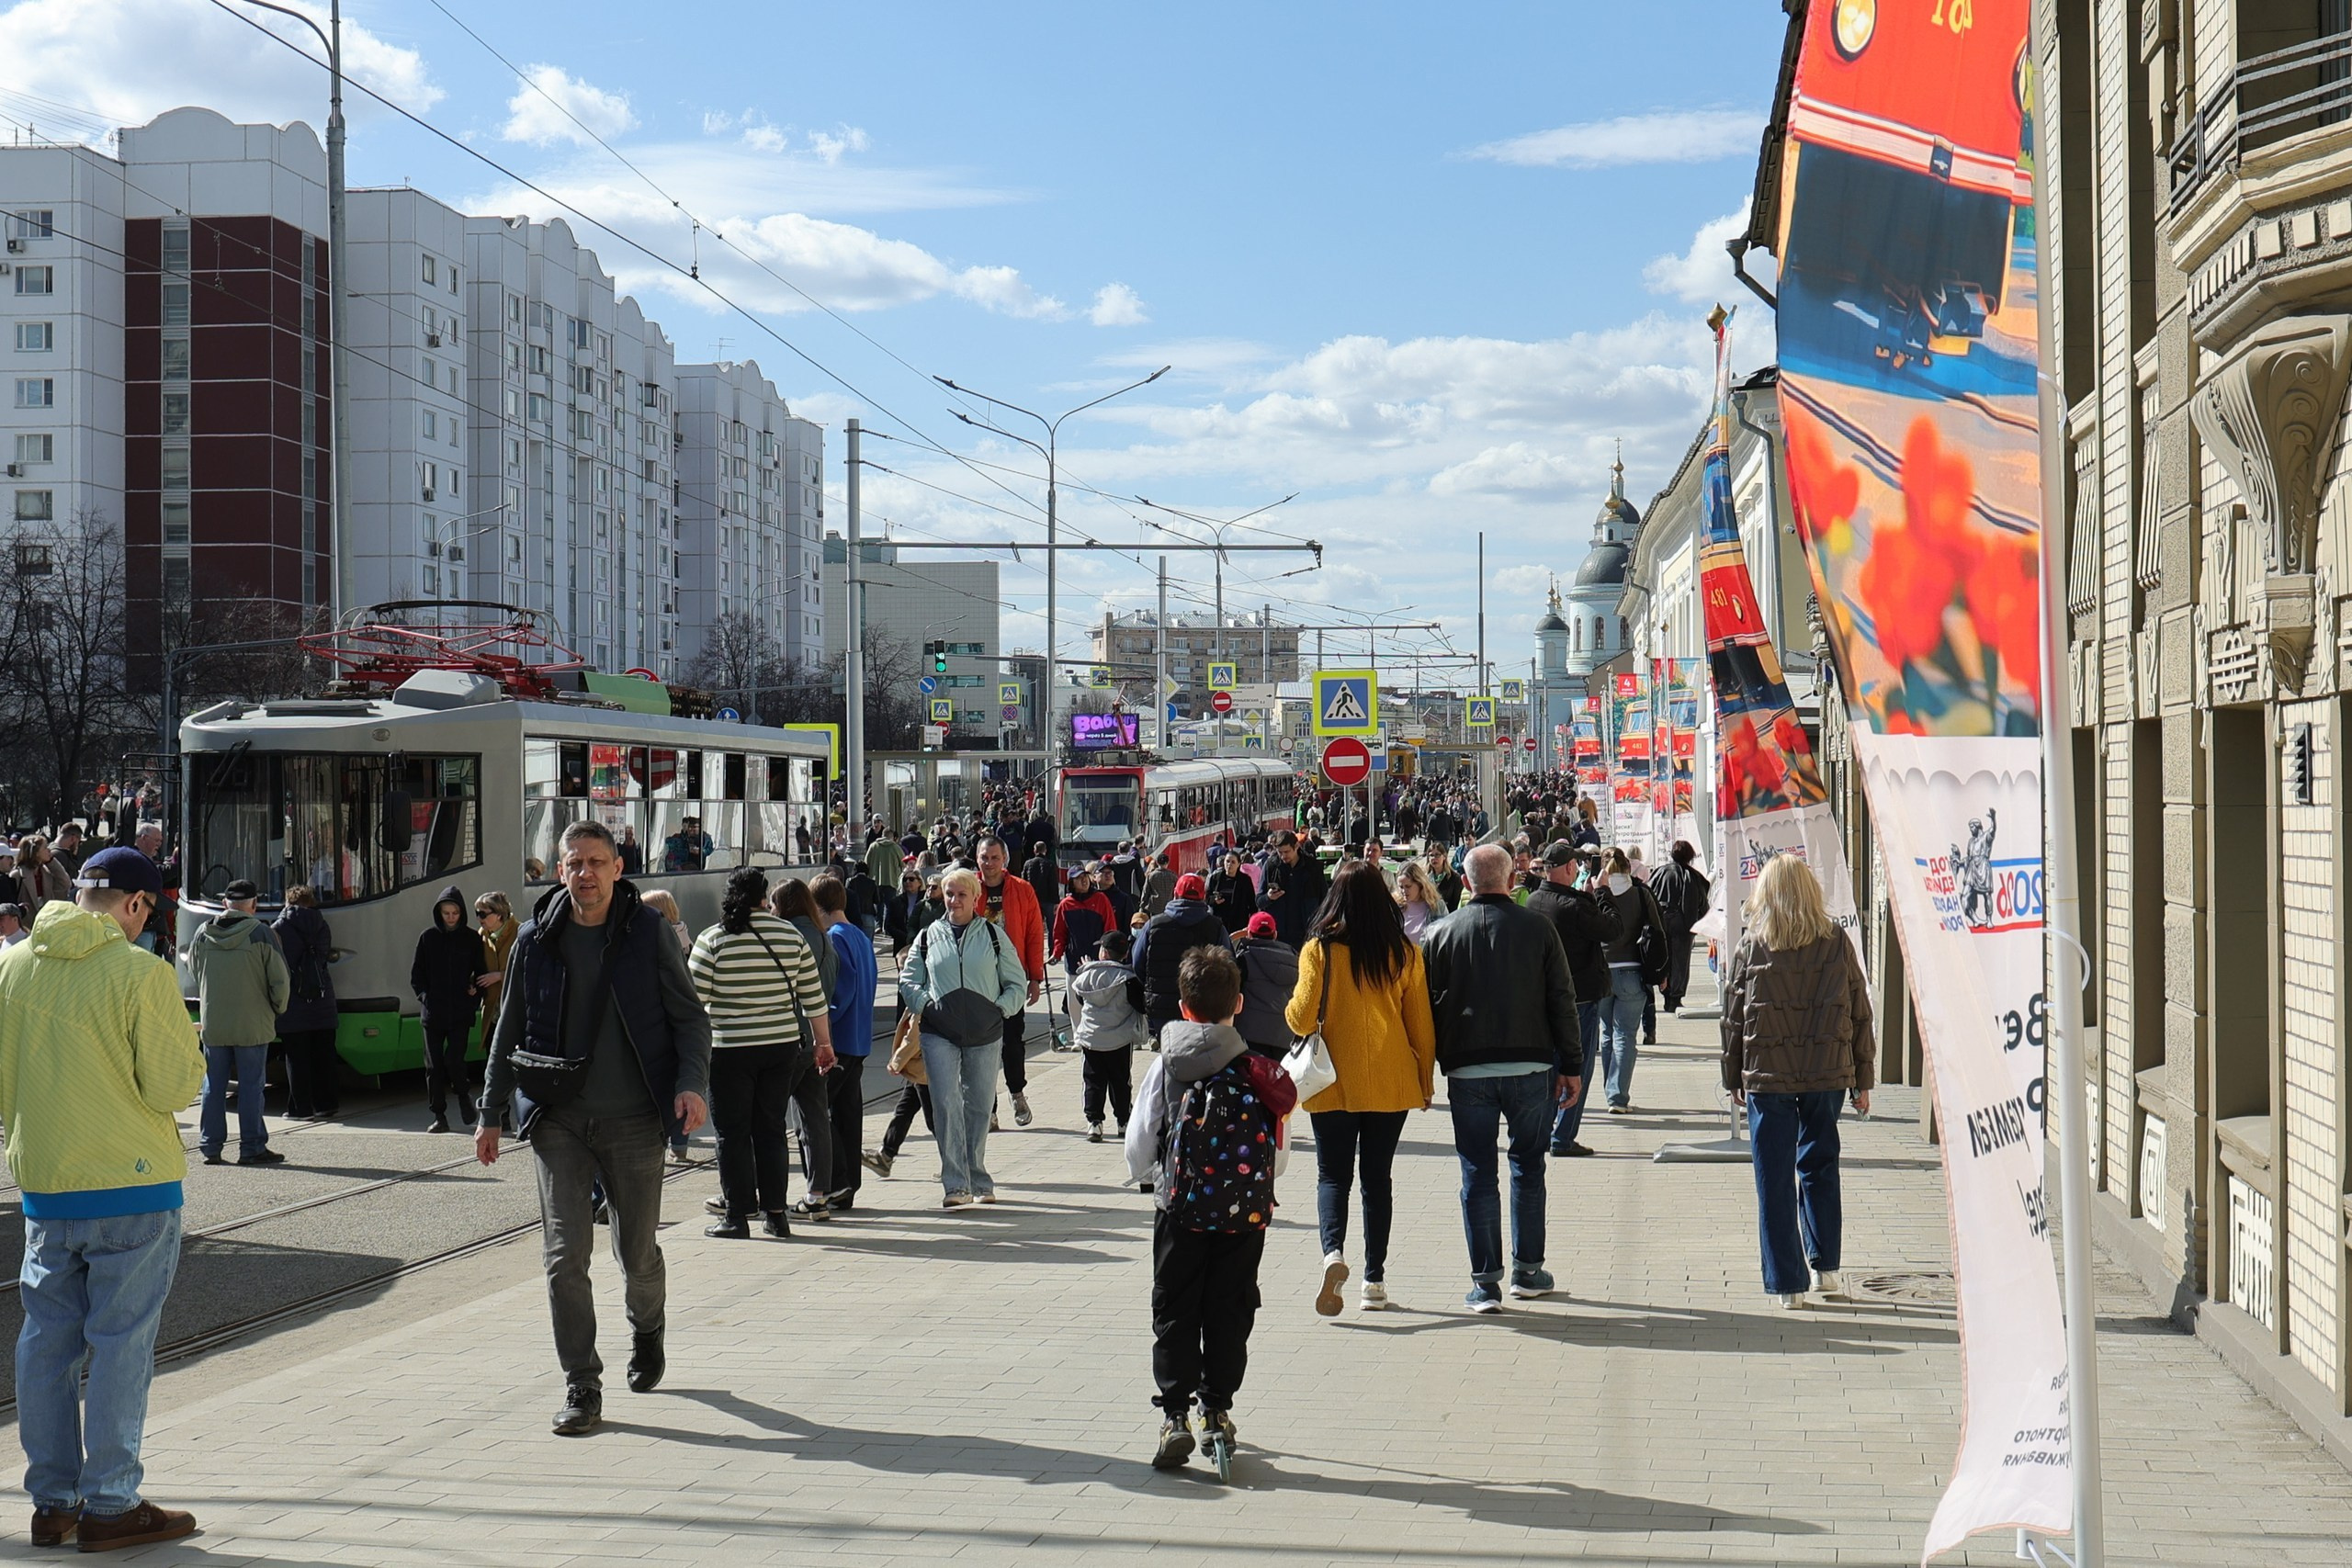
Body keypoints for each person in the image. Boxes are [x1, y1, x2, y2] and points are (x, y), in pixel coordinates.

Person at [475, 819, 713, 1437]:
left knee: (637, 1253)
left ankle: (647, 1327)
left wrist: (690, 1084)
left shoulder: (648, 933)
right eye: (574, 862)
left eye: (597, 862)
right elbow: (508, 1030)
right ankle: (582, 1382)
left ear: (617, 867)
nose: (585, 873)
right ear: (560, 871)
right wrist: (489, 1112)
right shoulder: (535, 939)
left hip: (634, 1119)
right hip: (558, 1118)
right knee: (563, 1257)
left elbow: (690, 1019)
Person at [0, 846, 205, 1552]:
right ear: (136, 904)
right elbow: (173, 1086)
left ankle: (52, 1502)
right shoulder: (140, 972)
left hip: (47, 1188)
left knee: (45, 1343)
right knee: (121, 1345)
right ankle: (112, 1502)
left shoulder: (13, 966)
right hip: (132, 1185)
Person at [1127, 945, 1295, 1471]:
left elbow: (1139, 1141)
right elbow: (1279, 1155)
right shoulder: (1257, 1070)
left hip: (1178, 1207)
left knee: (1175, 1307)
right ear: (1238, 1004)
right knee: (1230, 1307)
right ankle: (1217, 1409)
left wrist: (1153, 1177)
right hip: (1243, 1214)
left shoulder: (1165, 1065)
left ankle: (1174, 1414)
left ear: (1183, 1006)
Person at [1422, 845, 1582, 1313]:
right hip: (1531, 1066)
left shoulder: (1439, 934)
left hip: (1466, 1069)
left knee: (1477, 1172)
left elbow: (1423, 1008)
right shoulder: (1539, 928)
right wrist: (1571, 1065)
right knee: (1528, 1167)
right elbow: (1562, 999)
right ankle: (1528, 1272)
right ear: (1512, 880)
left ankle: (1485, 1283)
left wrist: (1425, 1070)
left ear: (1465, 882)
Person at [1720, 854, 1874, 1308]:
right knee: (1820, 1165)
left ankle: (1788, 1284)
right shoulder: (1836, 941)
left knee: (1773, 1176)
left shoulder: (1752, 945)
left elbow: (1733, 1018)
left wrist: (1732, 1075)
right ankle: (1826, 1268)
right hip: (1827, 1072)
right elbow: (1860, 1010)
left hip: (1768, 1075)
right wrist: (1863, 1078)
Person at [1285, 861, 1436, 1315]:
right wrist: (1425, 1081)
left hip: (1332, 1081)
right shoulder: (1404, 953)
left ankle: (1333, 1253)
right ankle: (1375, 1280)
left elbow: (1301, 1020)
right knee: (1377, 1179)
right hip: (1391, 1081)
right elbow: (1421, 1025)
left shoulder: (1319, 950)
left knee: (1333, 1175)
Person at [687, 866, 834, 1238]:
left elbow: (692, 1003)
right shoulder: (789, 935)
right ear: (763, 897)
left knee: (732, 1132)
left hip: (729, 1050)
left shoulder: (713, 939)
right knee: (771, 1129)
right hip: (780, 1048)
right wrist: (823, 1043)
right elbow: (813, 998)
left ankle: (737, 1216)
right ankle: (776, 1215)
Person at [898, 867, 1029, 1207]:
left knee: (980, 1106)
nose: (954, 900)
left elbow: (1016, 982)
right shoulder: (927, 936)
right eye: (949, 894)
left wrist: (1000, 1010)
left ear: (975, 897)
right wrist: (927, 1006)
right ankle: (955, 1184)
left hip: (985, 1032)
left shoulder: (994, 936)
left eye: (961, 894)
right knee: (945, 1103)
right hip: (938, 1032)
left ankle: (978, 1176)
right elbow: (908, 981)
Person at [1522, 844, 1623, 1158]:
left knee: (1552, 1065)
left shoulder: (1535, 900)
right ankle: (1563, 1136)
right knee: (1577, 1067)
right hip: (1579, 997)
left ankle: (1547, 1129)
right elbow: (1613, 929)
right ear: (1569, 868)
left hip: (1545, 997)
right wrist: (1603, 892)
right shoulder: (1574, 906)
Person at [188, 879, 289, 1167]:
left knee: (213, 1085)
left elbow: (194, 970)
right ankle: (252, 1147)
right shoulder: (261, 933)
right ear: (254, 905)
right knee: (251, 1086)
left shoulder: (203, 932)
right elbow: (280, 980)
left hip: (215, 1022)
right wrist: (277, 1009)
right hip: (252, 1023)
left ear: (225, 904)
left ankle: (210, 1147)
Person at [814, 874, 878, 1213]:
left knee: (817, 1110)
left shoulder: (834, 938)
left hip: (839, 1038)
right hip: (859, 1037)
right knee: (848, 1113)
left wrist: (823, 1027)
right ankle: (849, 1183)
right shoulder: (860, 936)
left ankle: (837, 1180)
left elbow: (841, 991)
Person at [974, 838, 1046, 1128]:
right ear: (977, 858)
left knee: (1012, 1043)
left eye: (994, 857)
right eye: (984, 857)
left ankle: (1016, 1092)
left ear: (1004, 858)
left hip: (1011, 978)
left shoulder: (1022, 889)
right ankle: (988, 1108)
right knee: (980, 1048)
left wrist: (1035, 978)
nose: (989, 863)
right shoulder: (968, 887)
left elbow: (1033, 934)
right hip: (977, 980)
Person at [410, 885, 489, 1134]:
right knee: (433, 1066)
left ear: (461, 913)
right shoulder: (428, 938)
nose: (451, 918)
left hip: (460, 1012)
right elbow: (417, 975)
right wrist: (425, 997)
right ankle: (439, 1115)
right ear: (439, 913)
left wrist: (475, 995)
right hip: (433, 1013)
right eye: (446, 913)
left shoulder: (471, 939)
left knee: (455, 1060)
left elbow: (481, 973)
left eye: (455, 913)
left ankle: (463, 1095)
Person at [1595, 848, 1668, 1113]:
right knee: (1625, 1035)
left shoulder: (1595, 893)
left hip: (1601, 972)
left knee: (1606, 1033)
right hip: (1632, 971)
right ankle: (1617, 1096)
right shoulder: (1640, 894)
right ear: (1628, 868)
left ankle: (1610, 1090)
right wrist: (1663, 972)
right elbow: (1658, 932)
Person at [1133, 872, 1232, 1041]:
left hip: (1162, 1005)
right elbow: (1228, 964)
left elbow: (1137, 963)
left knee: (1169, 1051)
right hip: (1203, 1004)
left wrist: (1152, 988)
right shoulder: (1216, 927)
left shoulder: (1154, 925)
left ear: (1175, 894)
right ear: (1203, 896)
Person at [1070, 929, 1148, 1141]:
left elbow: (1080, 999)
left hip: (1091, 1039)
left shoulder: (1085, 976)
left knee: (1093, 1081)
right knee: (1120, 1081)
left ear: (1103, 952)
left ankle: (1094, 1123)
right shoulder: (1128, 979)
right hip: (1119, 1040)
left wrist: (1087, 968)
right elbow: (1141, 1006)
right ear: (1125, 954)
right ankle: (1123, 1121)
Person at [273, 885, 340, 1120]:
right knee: (324, 1054)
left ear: (288, 902)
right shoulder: (322, 925)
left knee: (296, 1057)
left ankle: (300, 1109)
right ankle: (327, 1104)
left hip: (294, 999)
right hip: (322, 997)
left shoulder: (279, 928)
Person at [1650, 840, 1712, 1014]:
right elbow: (1702, 902)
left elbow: (1648, 894)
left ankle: (1667, 994)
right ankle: (1675, 998)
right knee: (1680, 962)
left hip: (1660, 920)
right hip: (1683, 923)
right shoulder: (1692, 876)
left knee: (1664, 958)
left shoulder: (1659, 873)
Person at [1256, 829, 1327, 952]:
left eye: (1287, 852)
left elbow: (1324, 900)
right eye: (1280, 852)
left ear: (1297, 846)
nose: (1283, 856)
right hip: (1278, 936)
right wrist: (1269, 897)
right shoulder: (1271, 866)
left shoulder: (1313, 867)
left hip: (1306, 934)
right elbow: (1259, 901)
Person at [1050, 863, 1117, 980]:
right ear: (1072, 883)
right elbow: (1059, 933)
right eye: (1079, 878)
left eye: (1085, 876)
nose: (1084, 880)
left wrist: (1110, 952)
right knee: (1073, 991)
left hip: (1097, 960)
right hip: (1073, 961)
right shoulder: (1065, 904)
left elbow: (1110, 928)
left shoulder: (1101, 899)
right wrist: (1057, 953)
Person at [1394, 860, 1446, 944]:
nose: (1404, 891)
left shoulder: (1436, 905)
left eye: (1408, 886)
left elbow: (1445, 935)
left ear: (1420, 884)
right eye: (1401, 887)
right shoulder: (1395, 905)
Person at [1205, 851, 1256, 935]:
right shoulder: (1215, 878)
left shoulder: (1245, 880)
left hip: (1238, 922)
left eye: (1233, 862)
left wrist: (1251, 923)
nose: (1229, 864)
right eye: (1227, 861)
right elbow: (1207, 898)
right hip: (1219, 922)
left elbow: (1252, 903)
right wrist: (1215, 900)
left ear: (1238, 864)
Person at [1424, 844, 1463, 912]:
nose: (1434, 858)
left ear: (1444, 856)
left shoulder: (1455, 878)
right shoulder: (1426, 878)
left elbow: (1457, 903)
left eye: (1437, 855)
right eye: (1431, 855)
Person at [1139, 851, 1178, 920]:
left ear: (1157, 862)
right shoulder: (1173, 876)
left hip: (1154, 907)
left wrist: (1142, 905)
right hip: (1168, 906)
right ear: (1167, 863)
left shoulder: (1151, 876)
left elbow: (1145, 891)